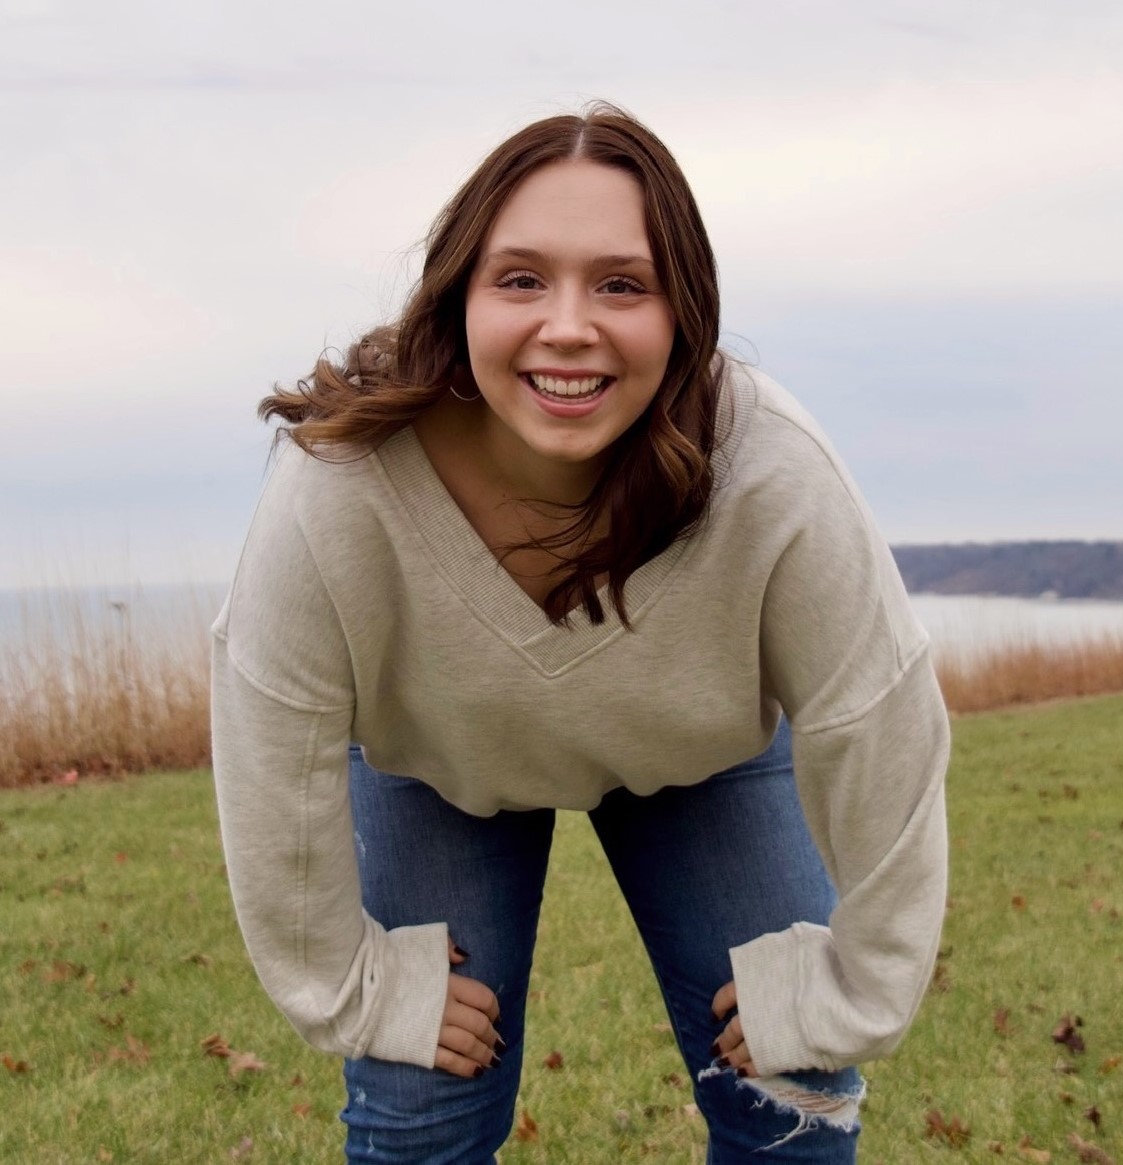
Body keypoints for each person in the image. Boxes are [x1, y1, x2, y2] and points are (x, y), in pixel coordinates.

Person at [211, 103, 950, 1164]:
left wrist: (857, 995)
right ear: (457, 294)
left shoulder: (771, 470)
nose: (568, 325)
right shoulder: (340, 484)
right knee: (423, 1110)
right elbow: (267, 737)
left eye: (620, 282)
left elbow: (880, 723)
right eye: (520, 279)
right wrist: (352, 990)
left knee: (790, 1091)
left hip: (706, 758)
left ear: (683, 310)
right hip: (438, 767)